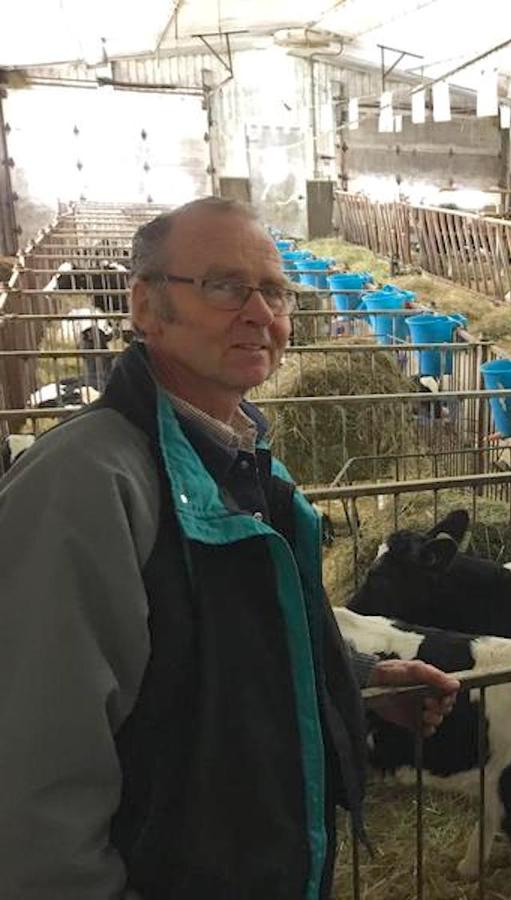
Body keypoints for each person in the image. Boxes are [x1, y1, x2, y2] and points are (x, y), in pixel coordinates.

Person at [0, 197, 460, 899]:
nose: (260, 313)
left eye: (274, 291)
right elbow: (36, 771)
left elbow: (214, 648)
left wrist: (349, 681)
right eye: (223, 286)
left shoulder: (240, 455)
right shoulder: (86, 485)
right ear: (147, 308)